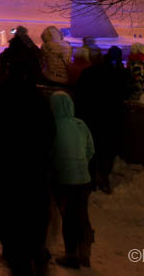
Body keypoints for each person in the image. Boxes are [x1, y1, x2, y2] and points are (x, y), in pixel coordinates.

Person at [0, 61, 55, 276]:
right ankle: (37, 250)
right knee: (34, 212)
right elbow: (49, 133)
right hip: (35, 169)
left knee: (10, 216)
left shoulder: (1, 98)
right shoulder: (39, 100)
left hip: (7, 170)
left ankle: (17, 257)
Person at [74, 47, 131, 194]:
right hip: (111, 119)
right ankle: (103, 177)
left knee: (92, 150)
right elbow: (127, 93)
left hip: (91, 119)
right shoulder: (120, 74)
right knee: (107, 150)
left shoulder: (88, 74)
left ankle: (92, 180)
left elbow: (79, 95)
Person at [50, 92, 95, 269]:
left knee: (68, 216)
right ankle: (85, 252)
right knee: (82, 214)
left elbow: (49, 151)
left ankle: (71, 255)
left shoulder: (53, 126)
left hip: (63, 179)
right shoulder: (81, 124)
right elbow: (91, 149)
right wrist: (81, 163)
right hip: (83, 179)